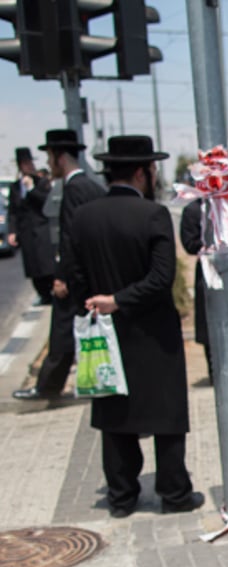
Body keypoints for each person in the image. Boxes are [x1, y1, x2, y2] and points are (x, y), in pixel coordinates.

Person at [67, 135, 204, 517]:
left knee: (114, 412)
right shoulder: (153, 215)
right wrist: (122, 299)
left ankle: (122, 496)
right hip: (154, 332)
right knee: (166, 413)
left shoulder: (83, 216)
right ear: (143, 172)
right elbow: (162, 277)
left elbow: (75, 276)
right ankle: (174, 493)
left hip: (105, 333)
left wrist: (99, 302)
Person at [13, 130, 105, 401]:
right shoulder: (87, 186)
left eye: (50, 157)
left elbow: (71, 237)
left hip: (78, 276)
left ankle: (47, 387)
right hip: (89, 272)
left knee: (62, 329)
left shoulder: (75, 189)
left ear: (60, 157)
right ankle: (52, 384)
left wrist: (62, 276)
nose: (48, 163)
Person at [7, 147, 55, 306]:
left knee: (46, 263)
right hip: (26, 231)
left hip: (41, 229)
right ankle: (42, 294)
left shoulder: (41, 182)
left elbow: (45, 202)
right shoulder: (15, 187)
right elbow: (13, 211)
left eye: (29, 163)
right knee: (33, 265)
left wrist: (31, 189)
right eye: (24, 164)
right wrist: (12, 231)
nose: (27, 166)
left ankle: (52, 292)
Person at [179, 197, 214, 384]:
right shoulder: (193, 210)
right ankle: (214, 372)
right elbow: (189, 243)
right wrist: (208, 247)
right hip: (207, 272)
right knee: (209, 324)